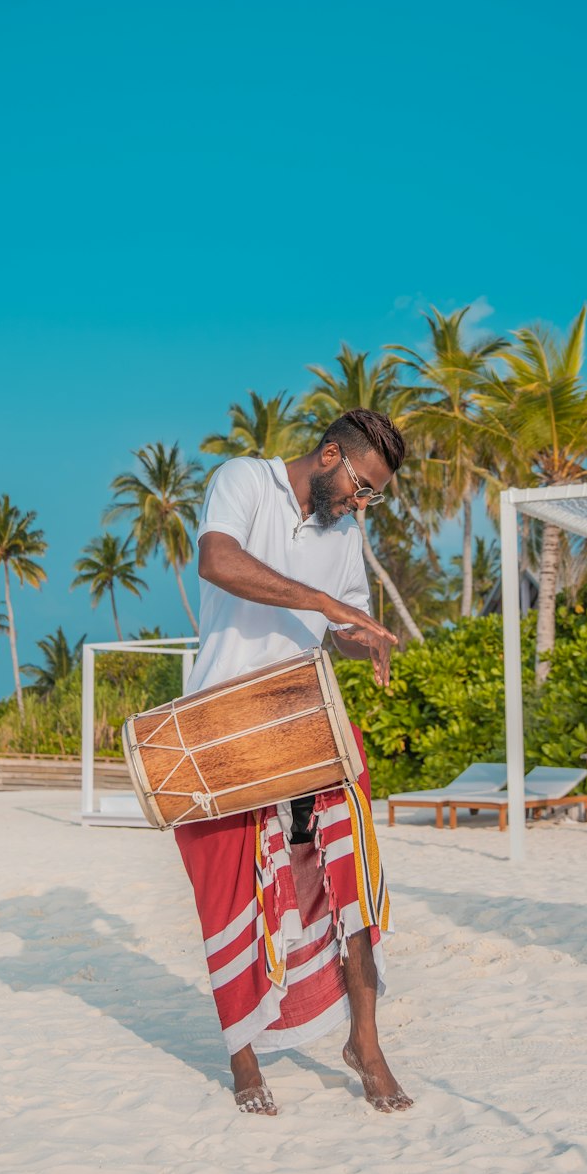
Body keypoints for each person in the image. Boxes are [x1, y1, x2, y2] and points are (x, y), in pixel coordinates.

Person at [176, 407, 413, 1117]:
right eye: (362, 487)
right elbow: (216, 560)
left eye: (374, 495)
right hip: (222, 714)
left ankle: (364, 1045)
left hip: (306, 715)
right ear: (331, 454)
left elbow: (336, 627)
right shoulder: (244, 480)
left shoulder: (345, 536)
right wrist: (317, 601)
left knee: (352, 877)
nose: (363, 503)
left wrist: (359, 638)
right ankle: (243, 1056)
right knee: (230, 890)